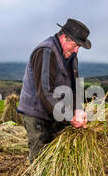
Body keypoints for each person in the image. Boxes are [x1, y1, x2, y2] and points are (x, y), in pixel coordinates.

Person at [18, 18, 91, 162]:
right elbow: (45, 92)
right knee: (40, 158)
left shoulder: (72, 56)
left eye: (79, 47)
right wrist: (70, 116)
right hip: (36, 114)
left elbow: (75, 87)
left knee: (57, 158)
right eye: (75, 45)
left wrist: (78, 110)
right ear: (64, 38)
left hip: (55, 113)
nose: (76, 50)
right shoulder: (46, 52)